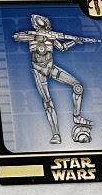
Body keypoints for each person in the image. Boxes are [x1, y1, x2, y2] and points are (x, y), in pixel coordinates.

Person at [13, 14, 92, 145]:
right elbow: (16, 36)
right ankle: (56, 134)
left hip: (51, 68)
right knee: (48, 104)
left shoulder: (51, 37)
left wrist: (74, 41)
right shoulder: (31, 36)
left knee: (78, 87)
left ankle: (77, 117)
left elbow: (62, 48)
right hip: (38, 71)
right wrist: (37, 37)